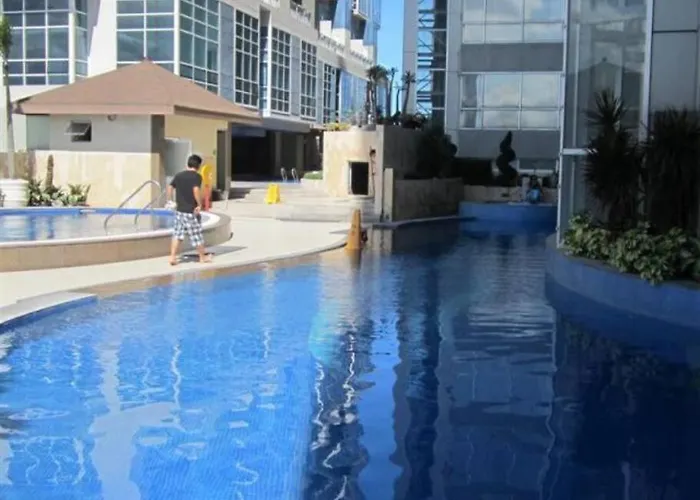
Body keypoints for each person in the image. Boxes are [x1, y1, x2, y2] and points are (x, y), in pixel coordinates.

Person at [166, 154, 211, 265]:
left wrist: (170, 200)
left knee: (177, 234)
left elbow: (170, 187)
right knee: (196, 235)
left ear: (188, 164)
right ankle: (202, 257)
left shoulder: (179, 175)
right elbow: (196, 190)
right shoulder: (197, 177)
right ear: (198, 166)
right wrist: (199, 204)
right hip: (190, 211)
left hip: (179, 211)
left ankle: (172, 257)